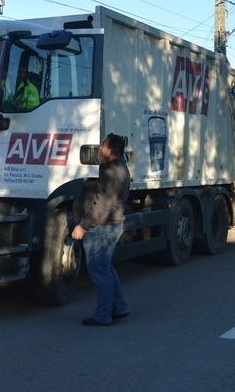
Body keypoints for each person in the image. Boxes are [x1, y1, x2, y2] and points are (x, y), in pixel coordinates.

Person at [71, 133, 131, 326]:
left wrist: (83, 226)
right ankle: (120, 307)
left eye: (103, 145)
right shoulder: (116, 167)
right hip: (108, 225)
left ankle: (103, 315)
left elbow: (103, 204)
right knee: (106, 269)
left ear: (111, 150)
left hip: (102, 227)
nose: (100, 148)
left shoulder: (113, 171)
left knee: (99, 271)